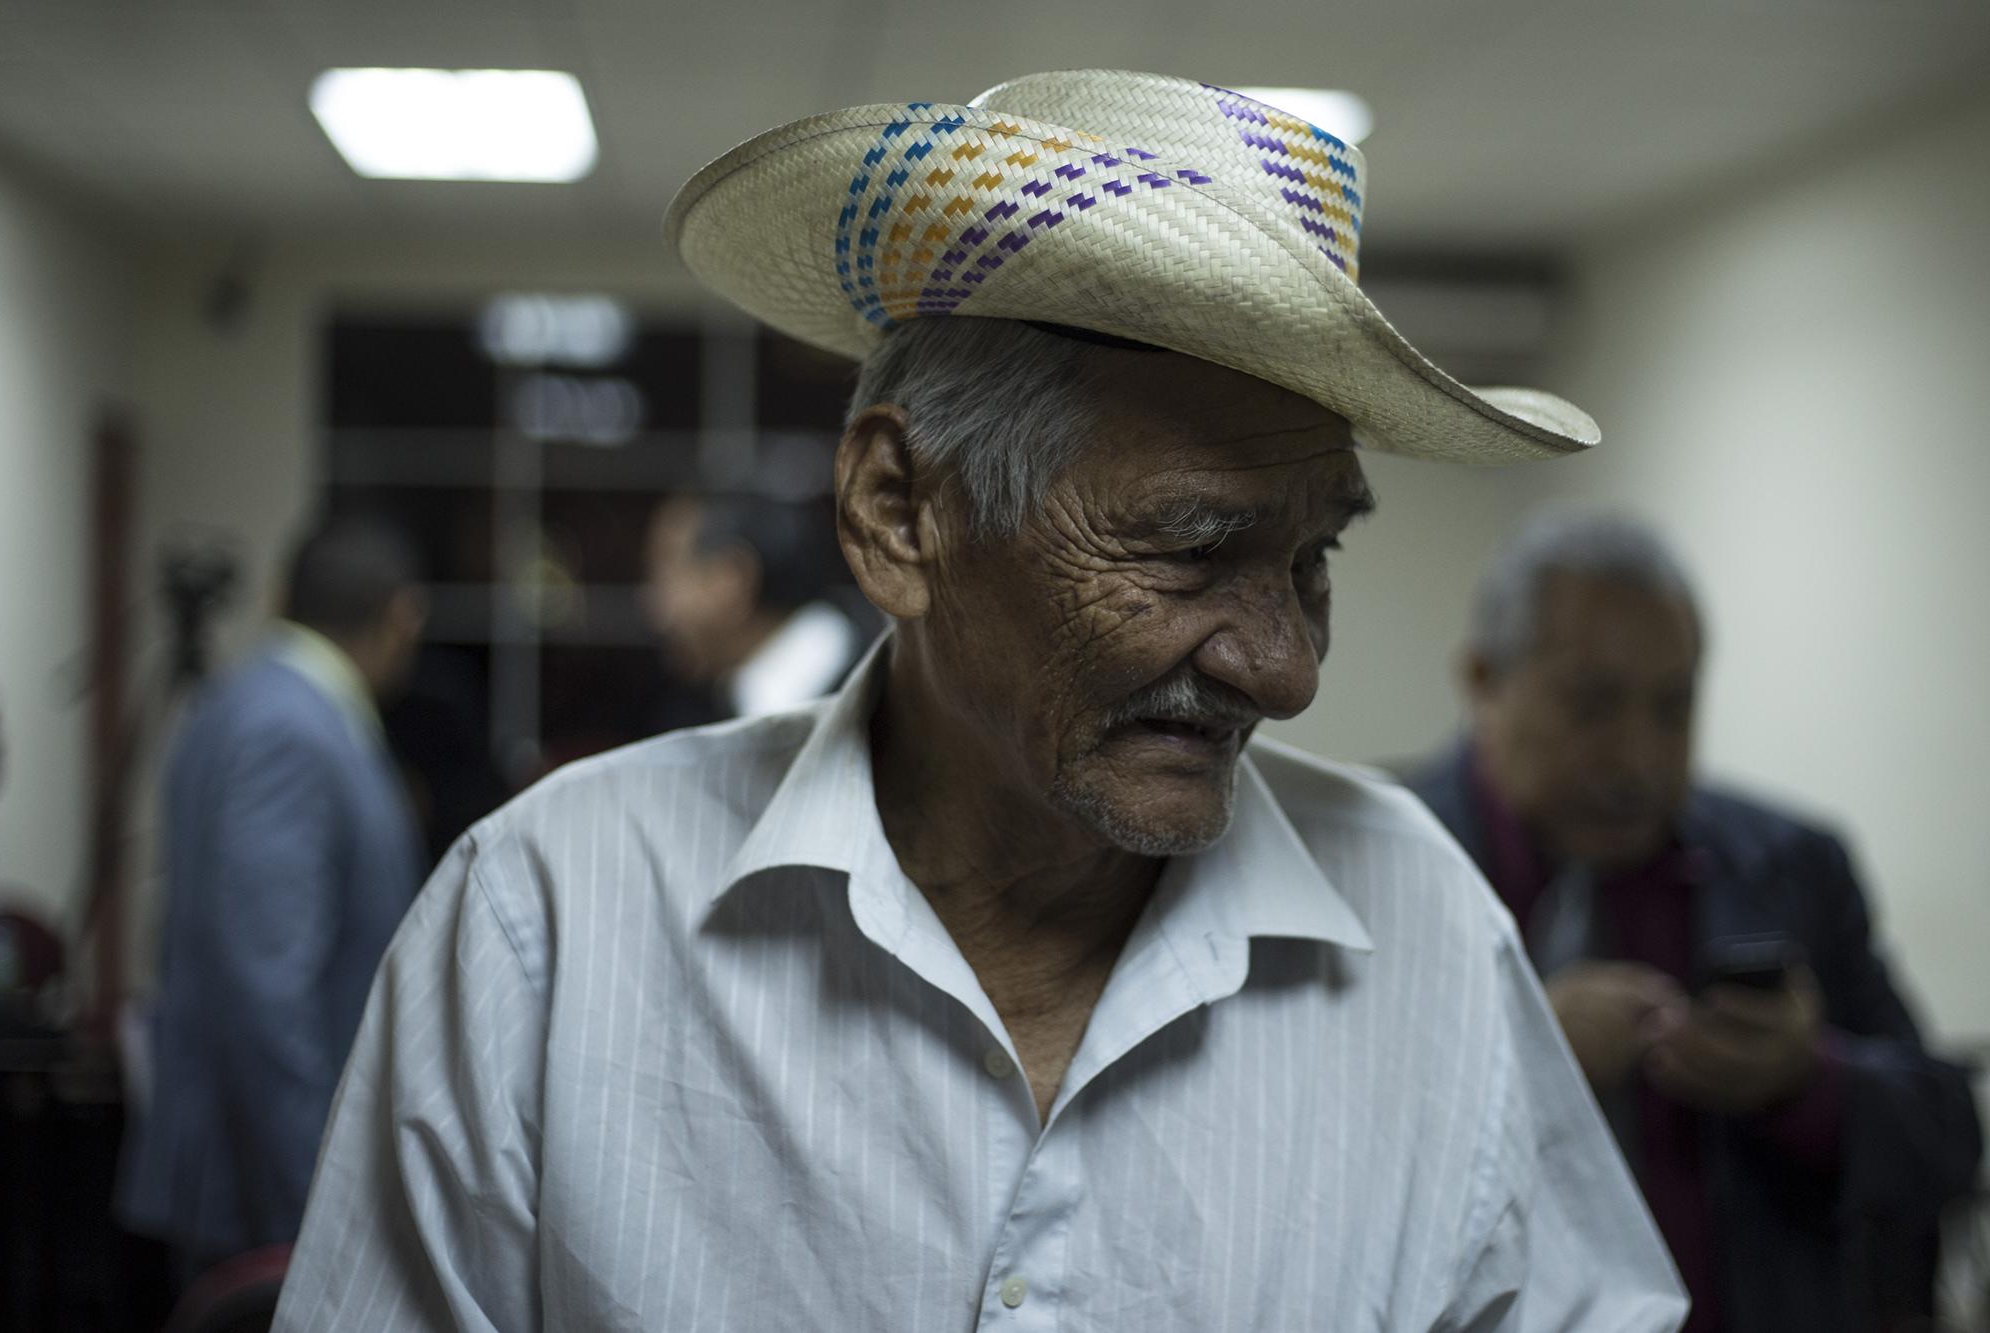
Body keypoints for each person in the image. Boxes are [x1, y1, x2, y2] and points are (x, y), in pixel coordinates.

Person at [275, 72, 1687, 1329]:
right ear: (899, 513)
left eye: (1310, 558)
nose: (1286, 667)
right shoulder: (550, 921)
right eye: (1192, 550)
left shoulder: (1421, 929)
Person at [1404, 509, 1983, 1333]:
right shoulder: (1364, 865)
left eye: (1672, 709)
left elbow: (1948, 1137)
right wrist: (1518, 1063)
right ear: (1483, 679)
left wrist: (1807, 1080)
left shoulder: (1797, 865)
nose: (1638, 757)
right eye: (1593, 704)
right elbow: (1308, 1184)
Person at [119, 516, 428, 1283]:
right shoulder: (289, 727)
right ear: (401, 614)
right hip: (262, 1187)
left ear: (282, 596)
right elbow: (266, 986)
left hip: (251, 1170)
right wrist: (314, 1203)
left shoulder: (249, 702)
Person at [642, 492, 869, 718]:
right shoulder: (745, 701)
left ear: (730, 582)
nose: (658, 613)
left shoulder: (880, 698)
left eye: (669, 577)